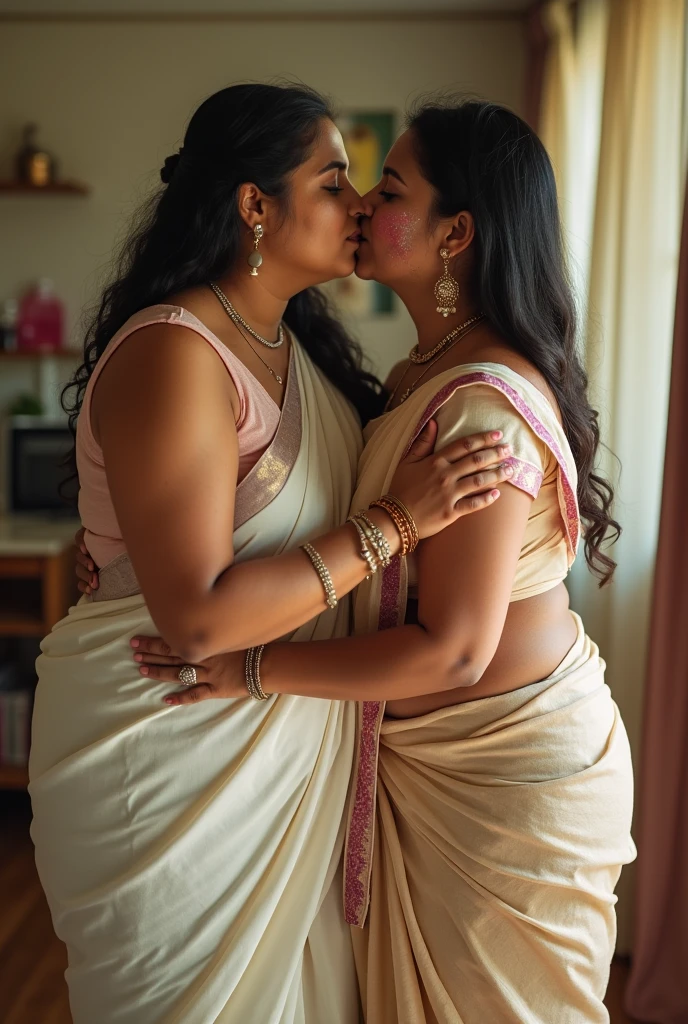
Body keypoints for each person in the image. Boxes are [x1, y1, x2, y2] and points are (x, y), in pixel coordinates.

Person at [130, 100, 636, 1024]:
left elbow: (453, 655)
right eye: (351, 183)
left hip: (502, 784)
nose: (363, 204)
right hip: (428, 771)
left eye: (388, 188)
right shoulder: (417, 375)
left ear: (457, 233)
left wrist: (249, 669)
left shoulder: (483, 408)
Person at [29, 83, 510, 1024]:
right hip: (166, 734)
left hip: (277, 742)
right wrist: (395, 526)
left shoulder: (299, 352)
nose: (361, 205)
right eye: (334, 183)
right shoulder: (178, 353)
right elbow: (197, 620)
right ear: (255, 206)